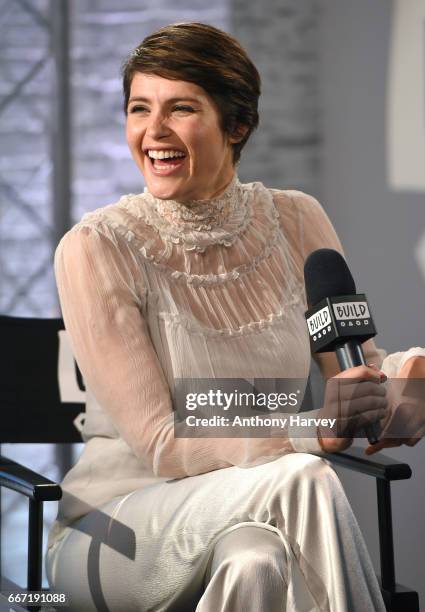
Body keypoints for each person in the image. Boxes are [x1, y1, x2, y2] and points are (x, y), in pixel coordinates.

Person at [45, 22, 425, 612]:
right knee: (304, 475)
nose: (153, 132)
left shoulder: (298, 220)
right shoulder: (96, 246)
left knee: (258, 565)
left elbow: (359, 372)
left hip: (249, 509)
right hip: (112, 529)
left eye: (181, 109)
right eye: (139, 109)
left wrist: (406, 390)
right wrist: (311, 429)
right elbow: (162, 445)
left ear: (238, 125)